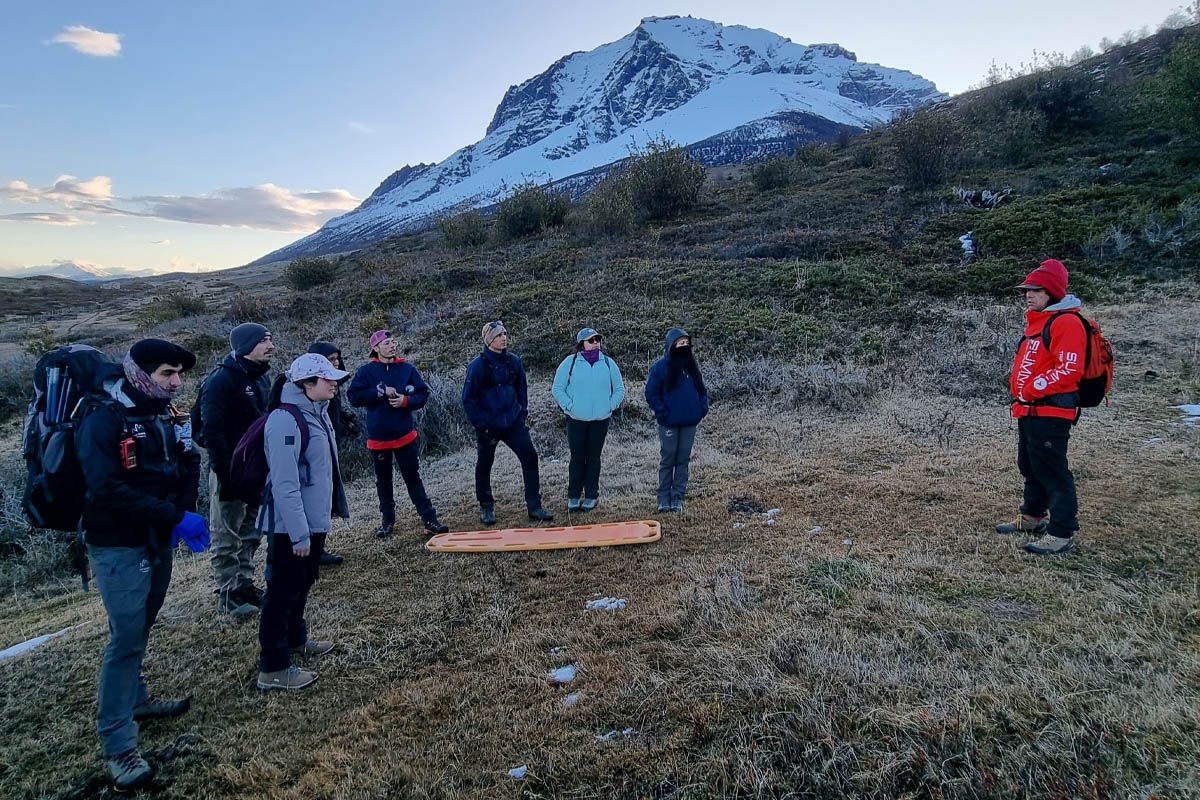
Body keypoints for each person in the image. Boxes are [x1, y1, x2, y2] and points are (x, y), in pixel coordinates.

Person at [76, 338, 208, 790]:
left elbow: (189, 458)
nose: (177, 383)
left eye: (179, 374)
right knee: (127, 636)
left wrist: (185, 510)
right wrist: (175, 516)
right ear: (140, 374)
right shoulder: (102, 420)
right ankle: (118, 745)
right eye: (167, 374)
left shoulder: (163, 414)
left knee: (143, 622)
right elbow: (105, 489)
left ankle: (136, 699)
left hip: (158, 535)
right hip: (118, 544)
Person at [256, 354, 350, 690]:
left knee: (303, 582)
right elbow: (284, 484)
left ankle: (296, 639)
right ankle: (274, 666)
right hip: (290, 527)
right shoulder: (285, 420)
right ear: (307, 384)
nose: (334, 384)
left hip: (311, 522)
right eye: (327, 380)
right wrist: (299, 535)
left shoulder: (317, 413)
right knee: (282, 590)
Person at [996, 259, 1085, 555]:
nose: (1028, 295)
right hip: (1029, 410)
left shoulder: (1067, 322)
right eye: (1026, 290)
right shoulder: (1039, 322)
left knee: (1052, 469)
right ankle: (1032, 517)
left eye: (1036, 290)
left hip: (1051, 411)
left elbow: (1069, 370)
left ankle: (1061, 532)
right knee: (1030, 465)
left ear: (1053, 292)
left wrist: (1032, 389)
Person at [200, 323, 273, 616]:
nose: (270, 345)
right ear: (245, 346)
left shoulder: (260, 379)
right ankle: (228, 593)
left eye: (270, 339)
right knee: (226, 533)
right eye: (263, 341)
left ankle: (244, 584)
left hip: (256, 468)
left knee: (251, 530)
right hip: (228, 469)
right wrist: (223, 473)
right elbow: (211, 431)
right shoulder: (220, 381)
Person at [346, 331, 448, 538]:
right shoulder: (366, 372)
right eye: (386, 343)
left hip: (404, 435)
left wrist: (405, 401)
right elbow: (353, 397)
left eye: (393, 341)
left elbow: (422, 394)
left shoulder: (407, 368)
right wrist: (379, 391)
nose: (392, 346)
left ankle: (430, 519)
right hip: (379, 438)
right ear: (376, 348)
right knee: (383, 482)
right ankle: (387, 522)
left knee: (413, 478)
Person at [462, 321, 554, 524]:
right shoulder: (477, 367)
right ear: (488, 341)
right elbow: (468, 399)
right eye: (497, 336)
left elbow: (522, 389)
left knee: (530, 458)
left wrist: (521, 414)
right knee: (484, 465)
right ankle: (486, 507)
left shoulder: (514, 361)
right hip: (489, 425)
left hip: (513, 422)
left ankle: (534, 506)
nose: (503, 338)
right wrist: (482, 424)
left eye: (504, 333)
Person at [551, 327, 625, 511]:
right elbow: (557, 388)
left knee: (593, 458)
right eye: (591, 340)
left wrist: (609, 406)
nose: (595, 343)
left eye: (597, 340)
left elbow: (619, 389)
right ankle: (574, 496)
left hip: (600, 420)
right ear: (581, 344)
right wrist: (570, 406)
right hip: (576, 419)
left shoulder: (608, 363)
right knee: (577, 458)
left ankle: (591, 495)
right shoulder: (570, 363)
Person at [306, 341, 361, 564]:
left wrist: (344, 420)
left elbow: (331, 411)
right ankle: (310, 549)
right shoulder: (311, 388)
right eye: (330, 359)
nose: (336, 362)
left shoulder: (332, 386)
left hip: (330, 444)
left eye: (337, 358)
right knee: (314, 500)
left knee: (325, 499)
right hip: (313, 451)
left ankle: (318, 548)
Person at [645, 328, 708, 513]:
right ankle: (663, 497)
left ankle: (677, 497)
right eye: (680, 343)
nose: (684, 346)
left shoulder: (691, 366)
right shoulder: (660, 367)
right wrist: (662, 412)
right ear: (671, 345)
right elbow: (651, 393)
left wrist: (701, 410)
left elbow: (702, 391)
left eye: (686, 343)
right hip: (668, 423)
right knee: (668, 459)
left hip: (690, 422)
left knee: (683, 460)